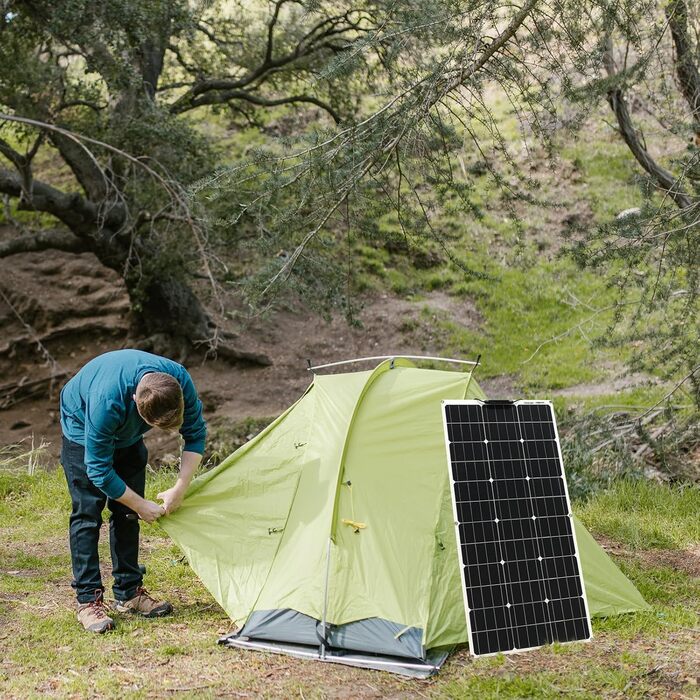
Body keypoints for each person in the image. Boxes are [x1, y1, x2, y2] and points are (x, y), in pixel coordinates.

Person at [59, 349, 207, 633]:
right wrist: (141, 504)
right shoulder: (106, 402)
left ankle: (128, 592)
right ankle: (88, 600)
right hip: (81, 425)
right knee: (87, 513)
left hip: (127, 434)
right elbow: (99, 470)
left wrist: (180, 487)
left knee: (126, 513)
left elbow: (196, 434)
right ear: (135, 403)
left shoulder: (178, 380)